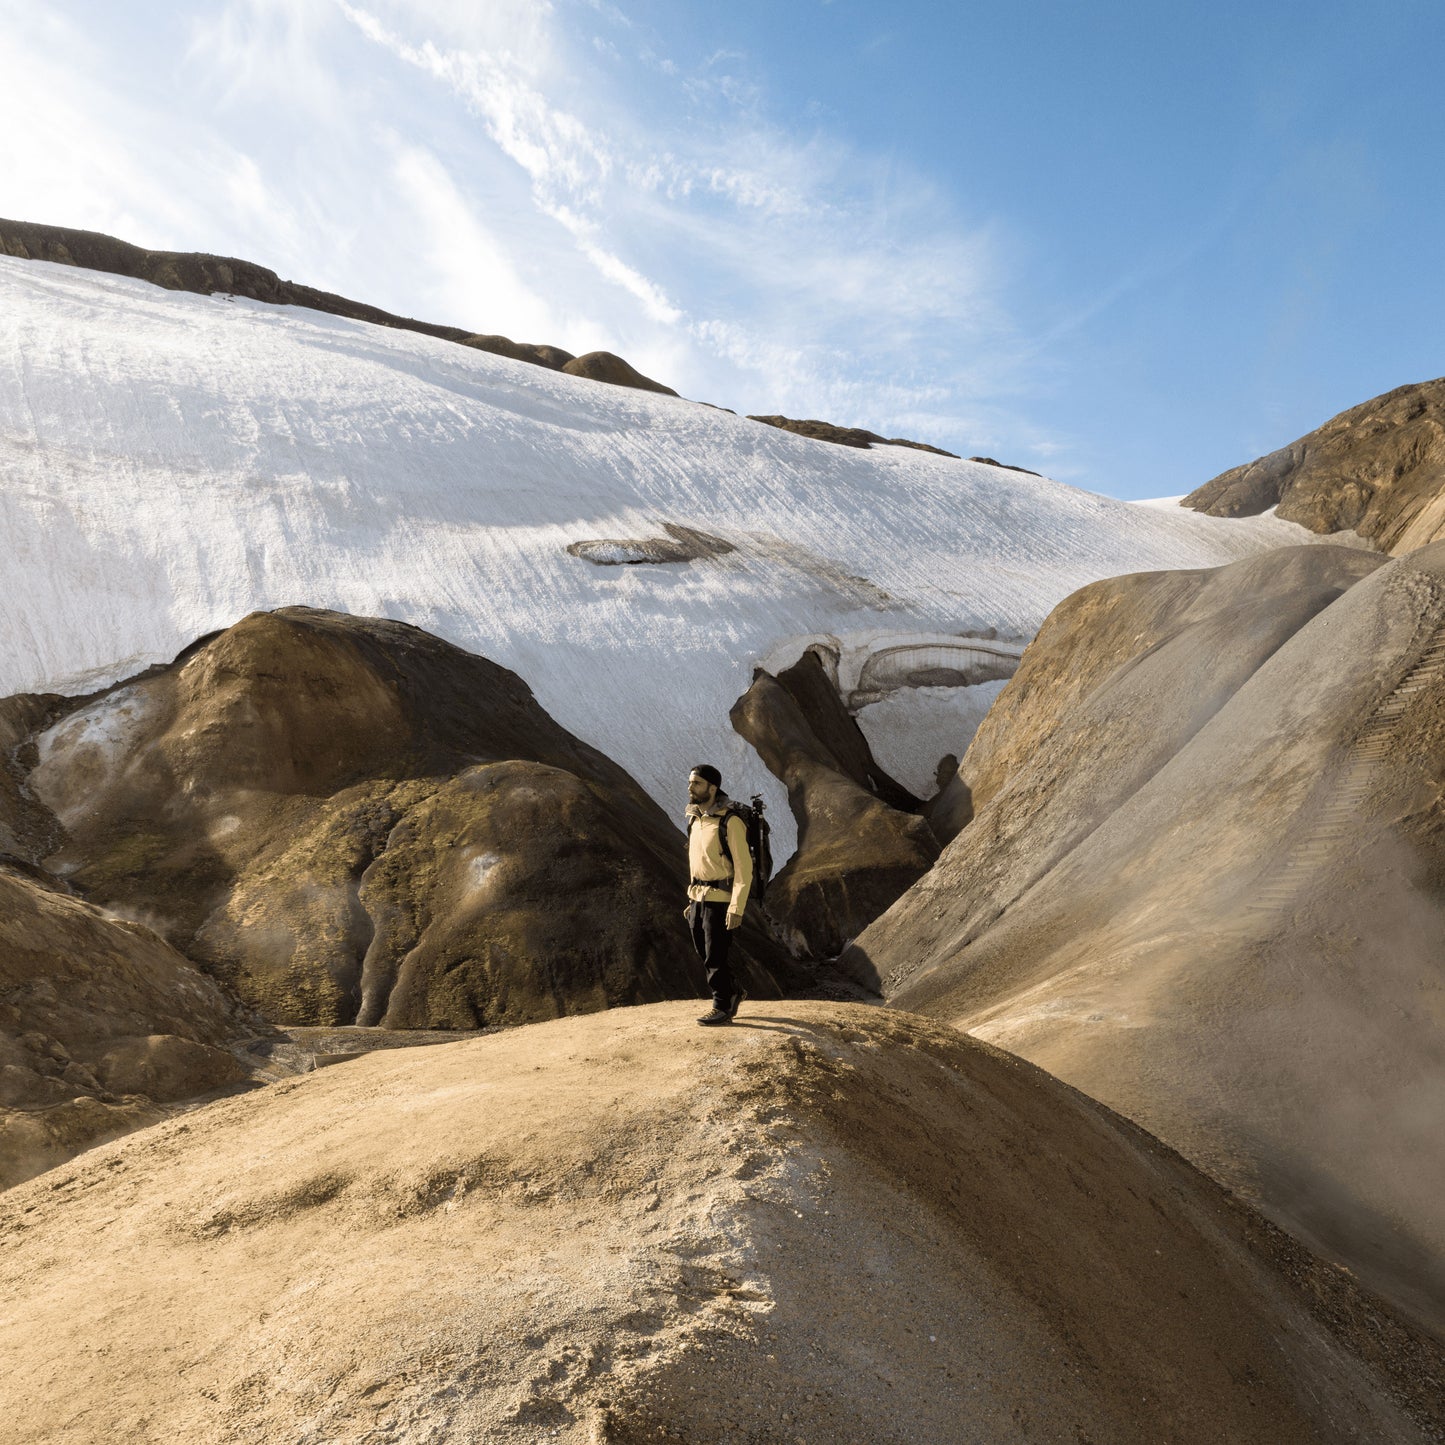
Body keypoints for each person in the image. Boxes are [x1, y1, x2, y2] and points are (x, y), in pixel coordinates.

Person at [684, 764, 752, 1026]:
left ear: (713, 788)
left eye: (697, 783)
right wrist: (692, 898)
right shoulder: (695, 818)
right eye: (690, 782)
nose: (691, 787)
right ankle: (733, 990)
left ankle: (721, 1006)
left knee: (715, 955)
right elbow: (696, 862)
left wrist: (736, 906)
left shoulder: (729, 821)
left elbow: (744, 867)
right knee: (703, 952)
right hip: (699, 897)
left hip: (721, 900)